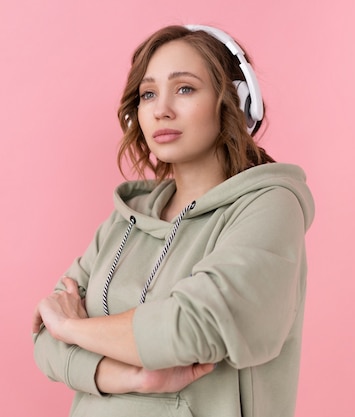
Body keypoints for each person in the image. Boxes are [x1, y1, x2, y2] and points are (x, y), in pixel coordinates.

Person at [32, 24, 315, 417]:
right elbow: (44, 335)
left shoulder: (268, 207)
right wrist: (130, 377)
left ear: (236, 100)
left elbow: (195, 326)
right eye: (148, 94)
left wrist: (74, 329)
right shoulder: (124, 221)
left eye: (184, 88)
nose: (161, 108)